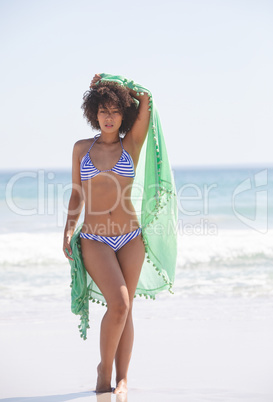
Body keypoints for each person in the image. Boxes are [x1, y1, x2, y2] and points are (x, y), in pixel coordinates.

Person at [63, 73, 151, 394]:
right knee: (119, 303)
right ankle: (104, 371)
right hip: (95, 238)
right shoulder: (81, 149)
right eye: (103, 109)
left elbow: (147, 102)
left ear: (122, 113)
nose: (109, 116)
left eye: (115, 109)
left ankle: (123, 377)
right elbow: (76, 194)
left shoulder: (132, 144)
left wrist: (118, 84)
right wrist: (69, 227)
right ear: (94, 113)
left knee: (126, 309)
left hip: (130, 238)